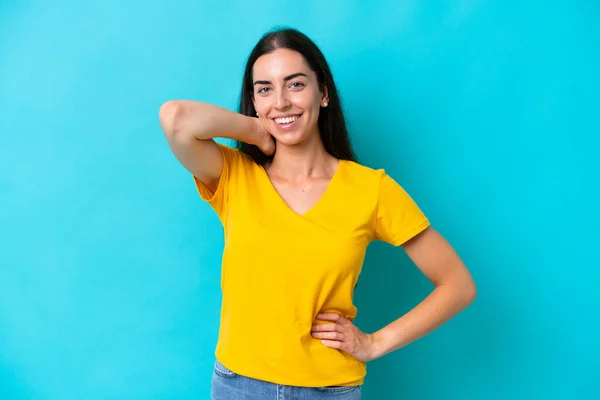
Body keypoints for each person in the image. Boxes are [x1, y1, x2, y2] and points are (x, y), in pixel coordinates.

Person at [159, 27, 476, 400]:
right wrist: (257, 131)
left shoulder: (370, 190)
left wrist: (375, 343)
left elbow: (458, 284)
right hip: (238, 386)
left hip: (328, 391)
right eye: (265, 89)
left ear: (323, 92)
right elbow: (175, 118)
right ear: (254, 102)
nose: (281, 101)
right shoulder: (234, 176)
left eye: (295, 85)